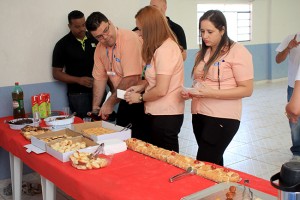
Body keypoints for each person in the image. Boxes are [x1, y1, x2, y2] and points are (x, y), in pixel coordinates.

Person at [181, 10, 253, 166]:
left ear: (222, 30)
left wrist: (211, 92)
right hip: (200, 114)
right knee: (214, 165)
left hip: (222, 117)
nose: (205, 36)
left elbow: (247, 89)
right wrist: (192, 92)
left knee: (203, 165)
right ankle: (221, 190)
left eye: (210, 31)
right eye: (202, 31)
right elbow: (200, 82)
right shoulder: (203, 52)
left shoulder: (238, 52)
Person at [124, 6, 185, 152]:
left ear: (151, 28)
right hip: (155, 112)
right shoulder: (157, 48)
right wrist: (141, 86)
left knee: (167, 161)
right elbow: (154, 78)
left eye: (140, 29)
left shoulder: (166, 49)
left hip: (166, 114)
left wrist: (139, 98)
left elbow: (161, 89)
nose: (139, 34)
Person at [85, 11, 145, 139]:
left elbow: (131, 78)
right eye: (99, 37)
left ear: (110, 22)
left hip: (141, 96)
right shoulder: (99, 49)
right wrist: (96, 108)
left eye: (106, 30)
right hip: (123, 96)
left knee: (138, 140)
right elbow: (99, 79)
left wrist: (110, 103)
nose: (105, 37)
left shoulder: (128, 38)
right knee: (122, 136)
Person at [52, 10, 104, 119]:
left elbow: (105, 63)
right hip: (78, 94)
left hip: (99, 88)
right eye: (77, 26)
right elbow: (56, 73)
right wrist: (78, 80)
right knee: (83, 126)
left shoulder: (95, 37)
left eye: (83, 25)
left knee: (104, 124)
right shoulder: (62, 44)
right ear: (69, 26)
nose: (82, 29)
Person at [276, 33, 300, 161]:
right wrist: (288, 47)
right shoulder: (292, 37)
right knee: (295, 122)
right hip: (293, 87)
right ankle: (297, 152)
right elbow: (278, 59)